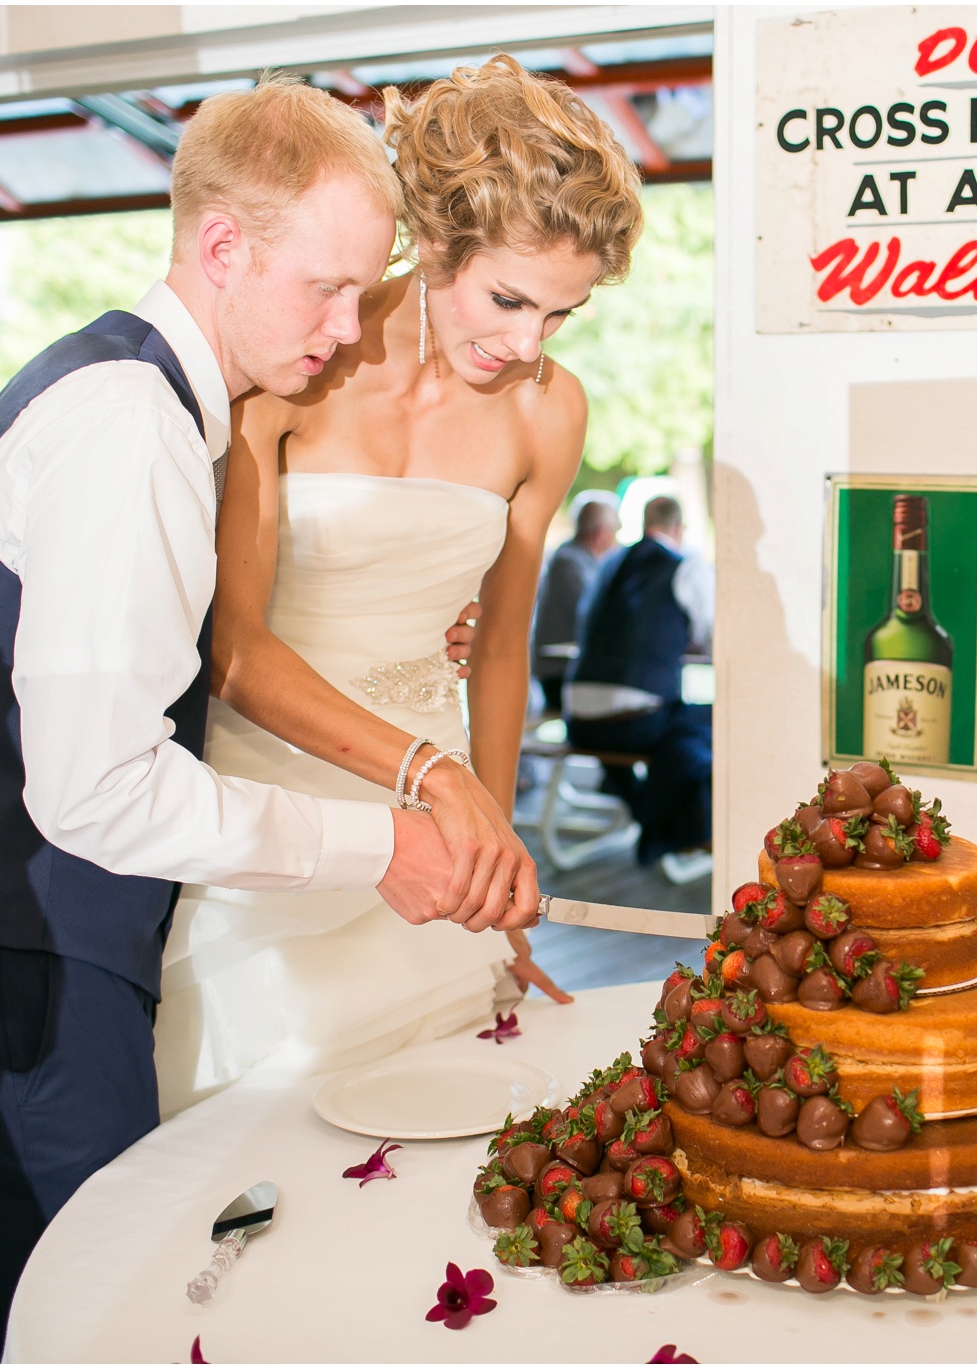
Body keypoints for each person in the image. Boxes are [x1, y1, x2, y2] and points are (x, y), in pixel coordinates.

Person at [0, 79, 534, 1363]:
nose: (349, 327)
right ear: (222, 248)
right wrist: (376, 845)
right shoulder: (131, 429)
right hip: (9, 978)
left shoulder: (135, 396)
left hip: (4, 955)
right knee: (74, 1329)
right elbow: (99, 791)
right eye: (325, 288)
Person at [154, 58, 645, 1116]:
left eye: (559, 315)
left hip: (447, 809)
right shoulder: (293, 369)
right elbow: (232, 646)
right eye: (508, 298)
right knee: (250, 1153)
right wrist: (434, 779)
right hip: (272, 811)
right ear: (433, 243)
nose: (524, 345)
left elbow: (503, 645)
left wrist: (498, 851)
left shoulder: (549, 411)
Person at [566, 494, 715, 879]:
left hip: (577, 716)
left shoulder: (610, 562)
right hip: (633, 722)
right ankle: (669, 829)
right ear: (678, 528)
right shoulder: (685, 566)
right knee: (708, 723)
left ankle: (651, 820)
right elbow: (711, 634)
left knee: (680, 726)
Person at [531, 489, 618, 715]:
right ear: (601, 533)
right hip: (559, 669)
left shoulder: (577, 560)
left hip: (566, 665)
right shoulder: (570, 562)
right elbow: (594, 611)